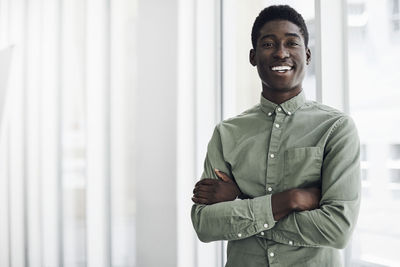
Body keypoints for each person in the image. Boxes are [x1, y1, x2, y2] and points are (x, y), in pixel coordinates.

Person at [191, 5, 361, 267]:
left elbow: (338, 229)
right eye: (269, 44)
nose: (281, 53)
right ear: (253, 56)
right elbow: (205, 224)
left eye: (291, 43)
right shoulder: (226, 134)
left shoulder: (336, 129)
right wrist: (290, 200)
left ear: (307, 55)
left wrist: (240, 204)